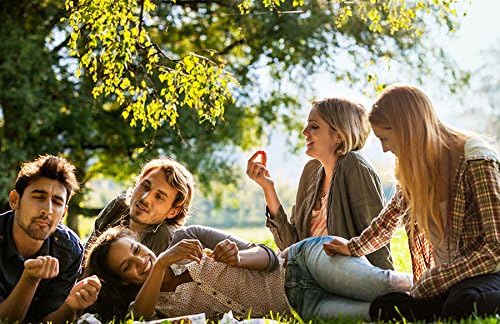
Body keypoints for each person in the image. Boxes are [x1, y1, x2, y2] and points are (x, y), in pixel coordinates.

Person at [325, 84, 500, 321]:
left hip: (487, 273)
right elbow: (388, 220)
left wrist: (440, 278)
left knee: (464, 300)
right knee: (384, 307)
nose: (385, 149)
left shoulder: (476, 160)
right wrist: (353, 247)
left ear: (407, 130)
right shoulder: (416, 169)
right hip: (449, 281)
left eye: (385, 138)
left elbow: (496, 248)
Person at [84, 226, 413, 321]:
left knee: (379, 284)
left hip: (300, 263)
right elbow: (138, 319)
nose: (140, 261)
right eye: (128, 266)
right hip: (300, 307)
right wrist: (158, 265)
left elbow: (270, 256)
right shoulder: (154, 307)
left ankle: (441, 282)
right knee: (380, 312)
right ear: (124, 280)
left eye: (138, 250)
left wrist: (238, 257)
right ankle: (441, 304)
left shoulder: (190, 239)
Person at [247, 97, 393, 270]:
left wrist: (387, 289)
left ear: (339, 135)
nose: (304, 132)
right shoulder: (311, 171)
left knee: (241, 261)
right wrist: (267, 187)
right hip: (304, 277)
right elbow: (292, 246)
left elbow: (377, 242)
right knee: (209, 237)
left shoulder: (355, 167)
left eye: (314, 126)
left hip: (341, 280)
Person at [0, 155, 101, 323]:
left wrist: (70, 306)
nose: (48, 210)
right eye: (39, 197)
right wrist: (30, 279)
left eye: (57, 202)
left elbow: (46, 321)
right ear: (15, 200)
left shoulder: (69, 249)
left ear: (64, 213)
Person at [87, 157, 195, 255]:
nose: (145, 198)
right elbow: (86, 254)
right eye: (146, 186)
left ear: (173, 212)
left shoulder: (166, 237)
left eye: (159, 197)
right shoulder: (119, 205)